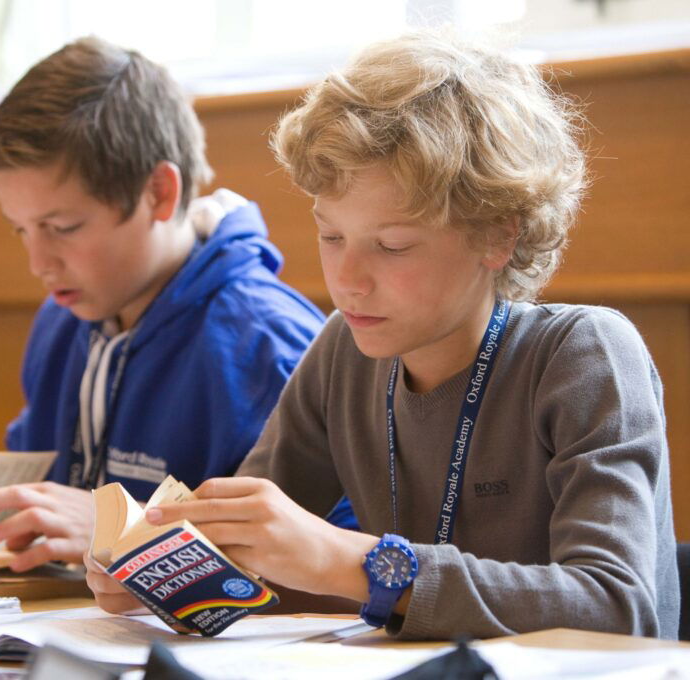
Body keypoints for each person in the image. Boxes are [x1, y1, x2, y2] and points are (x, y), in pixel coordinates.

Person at [85, 30, 680, 640]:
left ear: (500, 236)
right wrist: (163, 570)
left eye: (392, 245)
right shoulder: (343, 350)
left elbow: (616, 606)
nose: (348, 282)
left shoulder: (586, 356)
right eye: (331, 236)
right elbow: (259, 561)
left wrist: (350, 562)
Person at [0, 37, 355, 571]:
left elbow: (329, 566)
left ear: (158, 192)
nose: (39, 263)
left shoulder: (265, 343)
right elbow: (62, 501)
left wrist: (125, 530)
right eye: (20, 229)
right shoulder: (65, 320)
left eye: (62, 228)